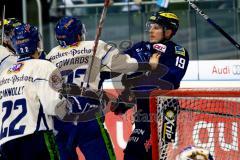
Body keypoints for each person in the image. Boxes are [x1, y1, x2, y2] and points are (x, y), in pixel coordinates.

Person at [46, 16, 160, 160]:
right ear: (79, 34)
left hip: (59, 119)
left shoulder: (50, 56)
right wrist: (149, 64)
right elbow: (127, 66)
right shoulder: (95, 46)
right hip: (87, 115)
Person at [112, 11, 189, 160]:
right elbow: (118, 65)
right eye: (150, 26)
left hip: (165, 114)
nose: (150, 30)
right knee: (136, 153)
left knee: (145, 153)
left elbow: (171, 81)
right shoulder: (141, 47)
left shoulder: (178, 52)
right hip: (143, 112)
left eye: (156, 27)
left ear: (168, 31)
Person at [0, 23, 67, 160]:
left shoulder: (4, 74)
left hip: (6, 143)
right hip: (35, 139)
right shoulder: (44, 66)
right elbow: (54, 106)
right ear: (37, 42)